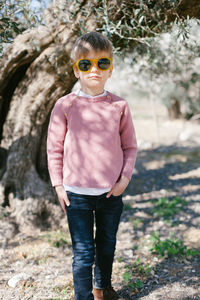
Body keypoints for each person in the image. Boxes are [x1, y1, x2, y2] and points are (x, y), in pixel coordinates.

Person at [47, 32, 137, 300]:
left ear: (111, 68)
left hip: (111, 192)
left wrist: (124, 180)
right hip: (76, 194)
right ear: (76, 70)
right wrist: (58, 185)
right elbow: (54, 148)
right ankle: (83, 296)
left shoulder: (119, 105)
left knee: (107, 245)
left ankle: (102, 288)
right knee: (84, 252)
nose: (94, 70)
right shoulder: (65, 105)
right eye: (86, 64)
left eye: (102, 63)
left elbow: (129, 146)